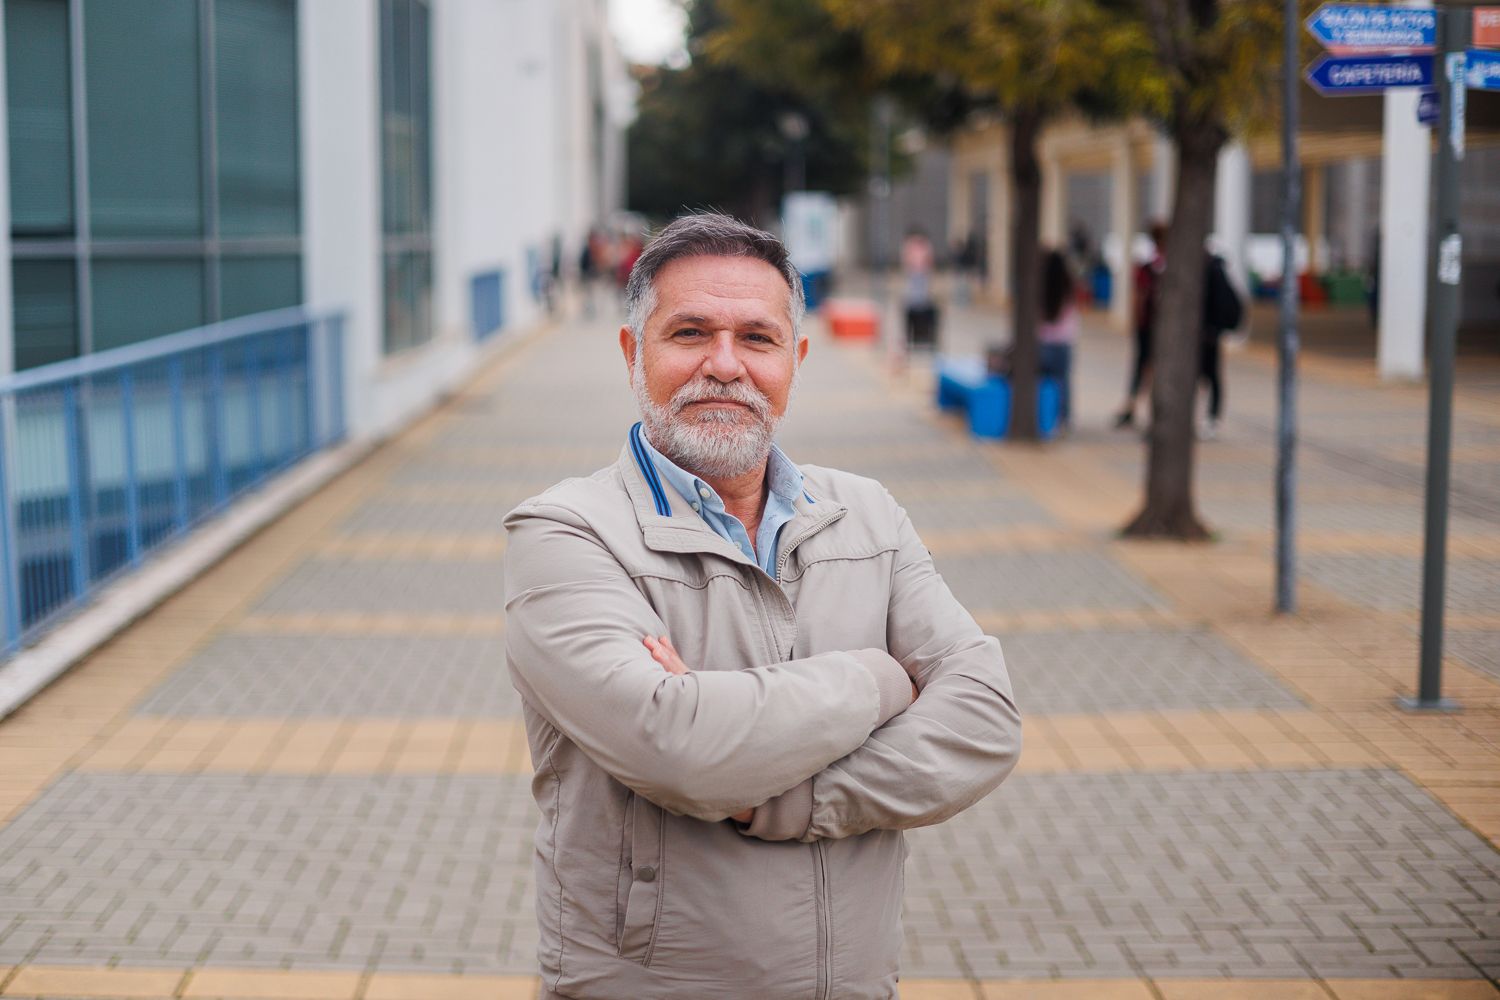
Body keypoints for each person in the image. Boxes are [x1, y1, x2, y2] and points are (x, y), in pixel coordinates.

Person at [504, 212, 1022, 1000]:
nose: (724, 364)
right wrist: (880, 681)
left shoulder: (867, 516)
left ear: (795, 359)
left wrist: (790, 795)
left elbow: (985, 720)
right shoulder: (568, 534)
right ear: (630, 353)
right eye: (689, 333)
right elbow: (673, 745)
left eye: (757, 338)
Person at [1114, 221, 1168, 429]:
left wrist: (1135, 321)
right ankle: (1138, 408)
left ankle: (1133, 406)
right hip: (1153, 325)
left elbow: (1138, 296)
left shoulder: (1148, 265)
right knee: (1148, 367)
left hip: (1147, 325)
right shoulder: (1157, 265)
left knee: (1142, 367)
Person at [1199, 251, 1243, 440]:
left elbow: (1222, 302)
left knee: (1210, 376)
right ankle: (1210, 417)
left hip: (1207, 333)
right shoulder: (1214, 269)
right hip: (1208, 333)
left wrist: (1213, 328)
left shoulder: (1210, 271)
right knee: (1211, 376)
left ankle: (1212, 418)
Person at [1038, 249, 1078, 435]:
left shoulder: (1043, 286)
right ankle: (1063, 419)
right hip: (1063, 342)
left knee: (1043, 382)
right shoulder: (1068, 286)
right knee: (1063, 382)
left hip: (1044, 341)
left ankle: (1045, 415)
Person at [901, 226, 939, 349]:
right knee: (915, 291)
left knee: (921, 291)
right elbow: (907, 259)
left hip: (922, 273)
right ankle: (917, 303)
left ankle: (920, 303)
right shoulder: (911, 246)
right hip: (914, 273)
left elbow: (928, 260)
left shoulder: (923, 246)